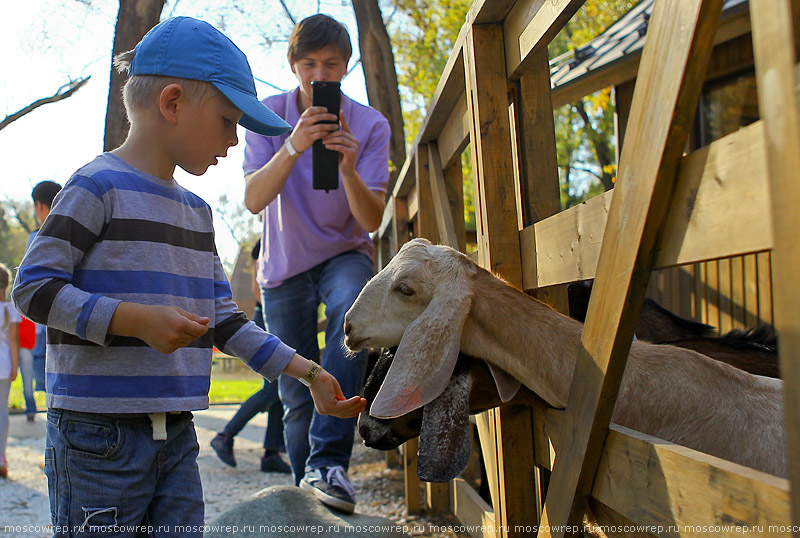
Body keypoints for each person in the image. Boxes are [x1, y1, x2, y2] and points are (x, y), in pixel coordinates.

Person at [12, 17, 366, 536]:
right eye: (227, 121)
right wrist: (132, 319)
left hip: (176, 435)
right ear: (173, 103)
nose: (233, 140)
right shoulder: (96, 187)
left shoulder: (197, 214)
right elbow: (34, 287)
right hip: (95, 435)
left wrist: (308, 373)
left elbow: (225, 321)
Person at [243, 14, 390, 513]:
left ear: (345, 67)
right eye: (308, 64)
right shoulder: (268, 114)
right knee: (295, 388)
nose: (318, 73)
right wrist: (293, 145)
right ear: (292, 66)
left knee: (353, 312)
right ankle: (311, 487)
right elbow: (253, 199)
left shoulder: (369, 124)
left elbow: (370, 218)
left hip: (344, 252)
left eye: (330, 63)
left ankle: (329, 464)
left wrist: (347, 167)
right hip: (283, 265)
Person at [211, 239, 291, 473]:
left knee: (279, 386)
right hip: (268, 315)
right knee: (273, 389)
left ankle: (271, 453)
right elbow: (258, 286)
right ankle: (226, 435)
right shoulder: (265, 242)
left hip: (277, 315)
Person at [19, 180, 63, 422]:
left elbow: (27, 284)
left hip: (43, 324)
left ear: (39, 205)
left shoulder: (37, 237)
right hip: (72, 322)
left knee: (47, 384)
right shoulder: (78, 231)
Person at [0, 263, 20, 478]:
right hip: (4, 364)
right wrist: (15, 365)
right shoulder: (9, 310)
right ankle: (1, 456)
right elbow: (13, 341)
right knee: (2, 411)